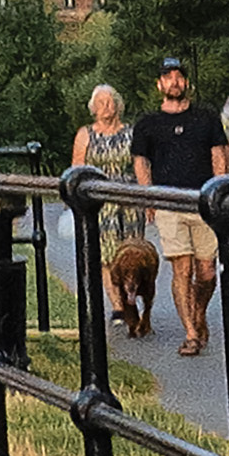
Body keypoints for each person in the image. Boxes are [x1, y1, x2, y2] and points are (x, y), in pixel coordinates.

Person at [127, 57, 229, 357]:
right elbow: (140, 160)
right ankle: (191, 333)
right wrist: (149, 197)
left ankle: (198, 312)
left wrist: (220, 192)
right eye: (168, 77)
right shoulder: (148, 123)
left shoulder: (206, 118)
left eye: (179, 76)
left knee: (207, 272)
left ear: (187, 83)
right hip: (169, 202)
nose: (174, 81)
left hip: (203, 201)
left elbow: (219, 155)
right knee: (181, 269)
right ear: (159, 85)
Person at [77, 84, 153, 336]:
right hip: (101, 203)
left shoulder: (132, 133)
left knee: (132, 254)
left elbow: (141, 165)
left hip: (130, 199)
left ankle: (135, 298)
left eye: (109, 102)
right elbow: (76, 170)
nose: (105, 107)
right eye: (99, 103)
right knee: (107, 256)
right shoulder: (85, 135)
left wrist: (148, 198)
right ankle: (119, 307)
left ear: (118, 105)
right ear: (92, 109)